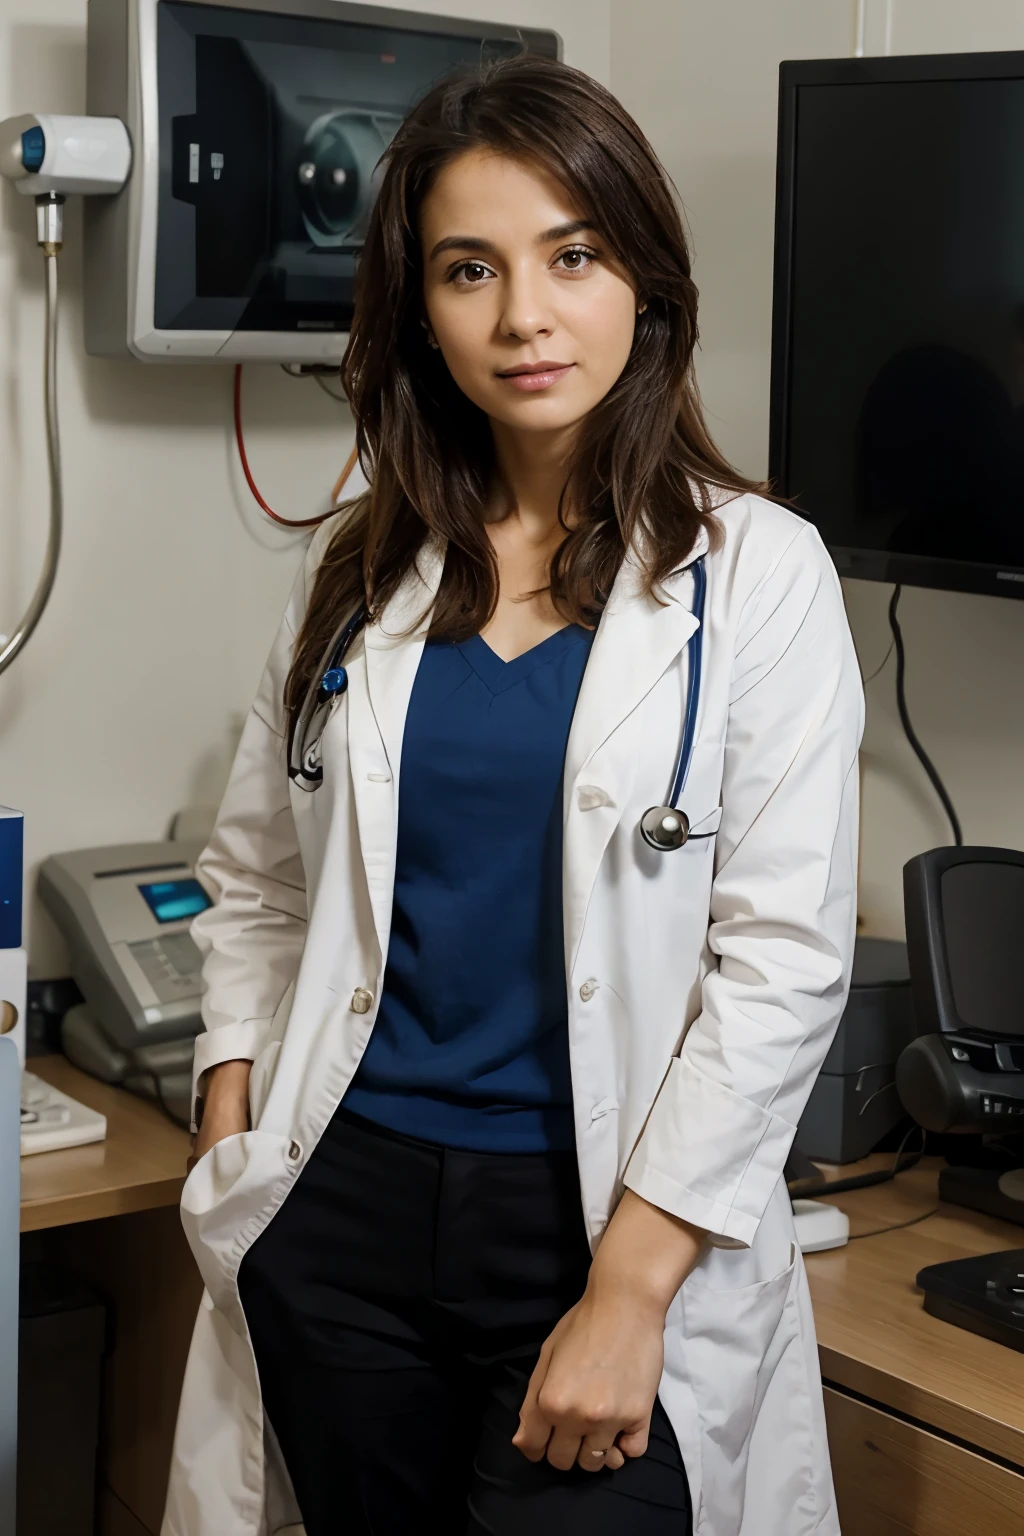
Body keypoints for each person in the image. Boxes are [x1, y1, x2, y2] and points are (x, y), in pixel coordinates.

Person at [162, 54, 863, 1536]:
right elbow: (260, 876)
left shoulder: (756, 575)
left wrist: (629, 1289)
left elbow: (784, 959)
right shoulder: (358, 568)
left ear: (647, 282)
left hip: (604, 1220)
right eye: (469, 268)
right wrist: (232, 1094)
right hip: (341, 1216)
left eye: (574, 256)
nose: (524, 316)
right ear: (420, 305)